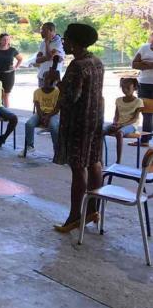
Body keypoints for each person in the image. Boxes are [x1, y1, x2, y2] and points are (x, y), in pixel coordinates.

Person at [53, 23, 104, 233]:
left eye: (65, 39)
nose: (64, 43)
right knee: (94, 162)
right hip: (95, 120)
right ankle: (92, 210)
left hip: (78, 124)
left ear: (74, 42)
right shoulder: (97, 62)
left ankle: (74, 216)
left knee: (78, 167)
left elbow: (71, 97)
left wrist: (57, 82)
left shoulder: (77, 66)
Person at [103, 78, 144, 165]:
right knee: (101, 131)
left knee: (119, 133)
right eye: (123, 87)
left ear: (134, 88)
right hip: (119, 124)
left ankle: (118, 161)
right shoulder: (118, 100)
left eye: (128, 88)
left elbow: (135, 119)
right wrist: (115, 123)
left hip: (131, 125)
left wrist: (122, 125)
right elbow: (116, 115)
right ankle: (98, 158)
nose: (125, 90)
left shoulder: (138, 101)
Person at [23, 70, 60, 155]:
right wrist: (42, 117)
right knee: (29, 124)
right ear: (43, 79)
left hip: (53, 114)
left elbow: (57, 109)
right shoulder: (37, 91)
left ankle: (57, 149)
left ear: (54, 80)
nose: (47, 81)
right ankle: (30, 145)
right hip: (40, 113)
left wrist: (48, 117)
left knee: (54, 127)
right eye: (46, 78)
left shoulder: (57, 92)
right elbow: (37, 107)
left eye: (50, 79)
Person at [132, 31, 153, 146]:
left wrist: (146, 63)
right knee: (146, 113)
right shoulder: (144, 48)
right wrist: (149, 64)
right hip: (144, 84)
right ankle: (145, 140)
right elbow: (134, 64)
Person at [0, 33, 23, 107]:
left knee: (6, 95)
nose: (6, 41)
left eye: (8, 39)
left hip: (9, 75)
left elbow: (20, 59)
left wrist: (16, 67)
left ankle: (7, 111)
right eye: (4, 39)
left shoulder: (12, 50)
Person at [35, 22, 65, 88]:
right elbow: (37, 60)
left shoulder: (59, 42)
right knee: (41, 95)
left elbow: (49, 57)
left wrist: (47, 43)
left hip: (52, 78)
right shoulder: (43, 42)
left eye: (44, 30)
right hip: (41, 76)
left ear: (51, 30)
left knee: (52, 95)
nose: (41, 32)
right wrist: (47, 57)